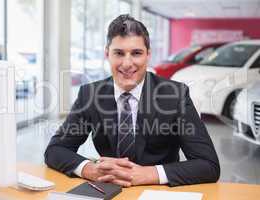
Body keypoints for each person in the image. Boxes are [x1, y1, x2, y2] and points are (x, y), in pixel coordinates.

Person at [44, 14, 220, 187]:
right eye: (119, 53)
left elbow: (208, 165)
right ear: (107, 54)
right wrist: (90, 169)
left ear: (148, 55)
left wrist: (149, 174)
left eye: (136, 53)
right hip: (108, 188)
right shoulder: (89, 94)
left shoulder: (175, 95)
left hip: (157, 191)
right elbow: (55, 150)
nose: (127, 63)